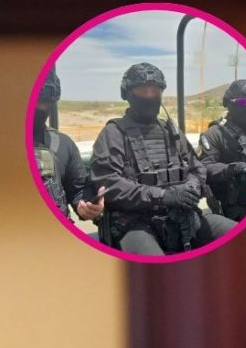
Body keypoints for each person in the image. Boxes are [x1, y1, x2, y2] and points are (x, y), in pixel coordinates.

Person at [90, 62, 235, 255]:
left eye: (155, 90)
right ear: (127, 94)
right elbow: (108, 183)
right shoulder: (114, 133)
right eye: (143, 90)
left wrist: (191, 187)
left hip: (183, 217)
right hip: (136, 224)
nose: (150, 96)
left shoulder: (171, 131)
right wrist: (163, 196)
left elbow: (197, 167)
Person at [198, 79, 246, 222]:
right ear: (229, 103)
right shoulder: (215, 134)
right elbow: (204, 168)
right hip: (235, 209)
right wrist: (235, 169)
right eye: (242, 102)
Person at [32, 68, 104, 221]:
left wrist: (86, 206)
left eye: (41, 101)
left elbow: (78, 190)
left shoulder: (62, 144)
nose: (33, 107)